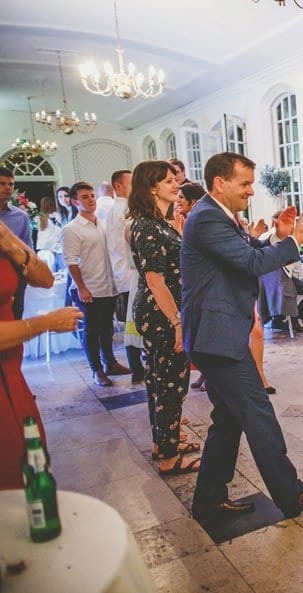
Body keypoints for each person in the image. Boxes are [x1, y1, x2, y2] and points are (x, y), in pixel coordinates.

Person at [180, 151, 303, 519]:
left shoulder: (216, 214)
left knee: (228, 420)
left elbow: (248, 250)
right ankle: (291, 495)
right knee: (258, 412)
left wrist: (277, 237)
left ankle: (209, 497)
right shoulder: (207, 217)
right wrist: (293, 242)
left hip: (216, 334)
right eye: (245, 183)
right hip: (217, 336)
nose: (251, 190)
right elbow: (251, 263)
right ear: (220, 183)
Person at [128, 161, 200, 475]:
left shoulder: (160, 222)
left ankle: (163, 443)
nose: (175, 185)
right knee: (171, 383)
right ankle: (170, 457)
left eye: (175, 179)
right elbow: (155, 280)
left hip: (164, 309)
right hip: (161, 312)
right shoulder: (146, 225)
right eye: (168, 181)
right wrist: (176, 322)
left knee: (159, 381)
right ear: (151, 187)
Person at [0, 220, 82, 489]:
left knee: (31, 467)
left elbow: (45, 279)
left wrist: (9, 244)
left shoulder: (3, 231)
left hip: (11, 372)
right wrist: (43, 323)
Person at [62, 181, 131, 386]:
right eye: (85, 197)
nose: (91, 200)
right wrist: (81, 287)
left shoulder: (102, 223)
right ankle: (97, 370)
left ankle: (110, 363)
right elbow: (70, 261)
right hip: (89, 288)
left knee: (107, 328)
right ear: (74, 202)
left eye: (92, 196)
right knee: (92, 331)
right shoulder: (72, 229)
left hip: (107, 285)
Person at [106, 169, 145, 385]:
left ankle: (138, 367)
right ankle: (137, 367)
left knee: (133, 321)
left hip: (124, 272)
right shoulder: (124, 209)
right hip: (131, 272)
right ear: (119, 186)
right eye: (132, 183)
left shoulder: (117, 209)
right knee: (135, 321)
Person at [0, 166, 33, 320]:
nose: (7, 188)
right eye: (2, 184)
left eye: (11, 184)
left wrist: (23, 278)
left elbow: (28, 251)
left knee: (15, 321)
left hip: (13, 278)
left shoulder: (20, 216)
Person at [35, 197, 65, 272]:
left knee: (48, 267)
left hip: (43, 247)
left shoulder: (39, 218)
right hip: (54, 245)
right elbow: (59, 229)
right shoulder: (56, 215)